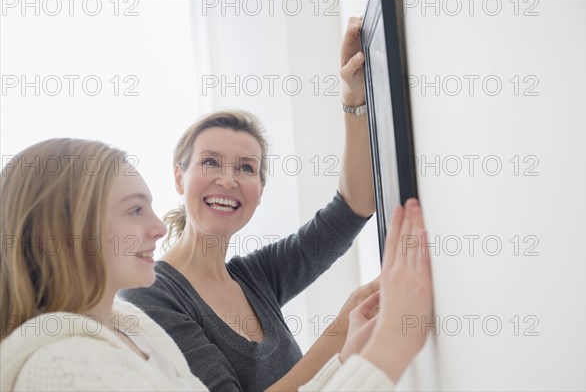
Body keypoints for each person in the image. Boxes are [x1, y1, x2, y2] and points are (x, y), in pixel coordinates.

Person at [0, 138, 433, 391]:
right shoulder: (68, 369)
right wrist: (383, 349)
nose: (155, 227)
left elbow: (346, 212)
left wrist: (347, 356)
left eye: (247, 167)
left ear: (262, 189)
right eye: (133, 211)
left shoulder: (133, 325)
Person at [119, 17, 378, 391]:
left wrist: (353, 96)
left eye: (246, 168)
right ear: (179, 177)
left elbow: (353, 208)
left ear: (260, 188)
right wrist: (342, 330)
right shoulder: (150, 294)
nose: (228, 179)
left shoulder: (256, 277)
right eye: (210, 162)